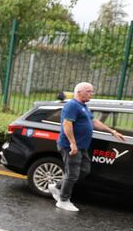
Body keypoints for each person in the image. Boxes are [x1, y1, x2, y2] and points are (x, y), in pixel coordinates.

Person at [48, 82, 125, 211]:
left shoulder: (83, 106)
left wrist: (112, 131)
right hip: (70, 146)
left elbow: (94, 122)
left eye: (91, 91)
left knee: (84, 171)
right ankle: (63, 200)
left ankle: (57, 186)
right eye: (89, 91)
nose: (91, 94)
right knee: (72, 174)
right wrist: (73, 143)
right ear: (79, 92)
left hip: (82, 146)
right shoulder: (72, 105)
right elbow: (67, 124)